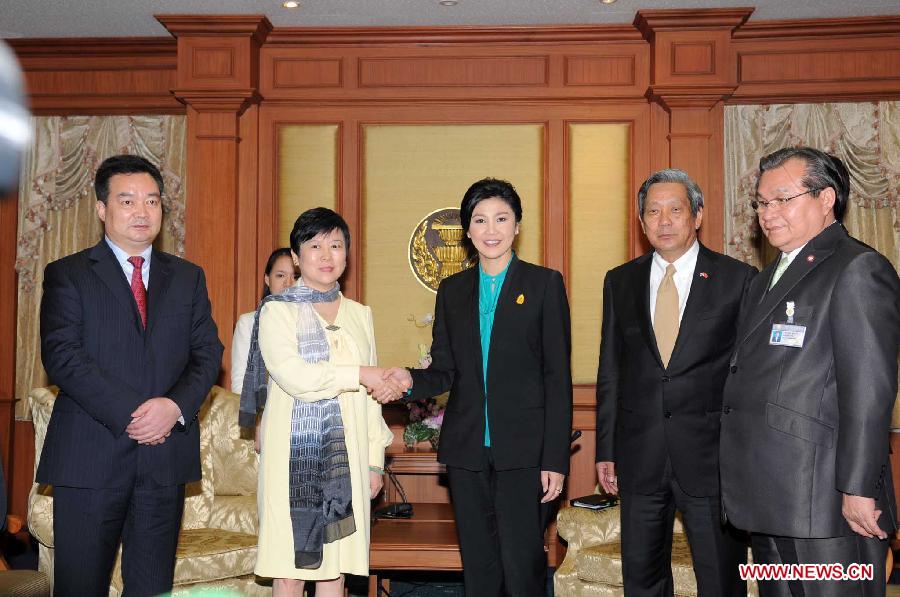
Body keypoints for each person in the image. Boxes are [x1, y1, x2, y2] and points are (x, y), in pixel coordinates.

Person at [38, 154, 223, 595]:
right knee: (80, 585)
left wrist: (173, 407)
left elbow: (208, 353)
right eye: (128, 201)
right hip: (90, 457)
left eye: (152, 201)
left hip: (163, 461)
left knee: (152, 586)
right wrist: (134, 414)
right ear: (102, 209)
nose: (142, 211)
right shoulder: (69, 274)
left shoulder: (188, 278)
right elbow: (62, 356)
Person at [380, 178, 573, 597]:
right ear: (467, 230)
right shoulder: (452, 291)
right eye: (480, 220)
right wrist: (408, 379)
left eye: (501, 219)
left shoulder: (544, 285)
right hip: (467, 450)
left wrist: (555, 458)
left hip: (524, 452)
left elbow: (557, 378)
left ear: (517, 225)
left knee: (522, 567)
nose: (491, 230)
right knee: (480, 571)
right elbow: (445, 369)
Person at [720, 147, 899, 596]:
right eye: (761, 202)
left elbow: (869, 391)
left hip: (824, 498)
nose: (768, 213)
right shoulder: (765, 278)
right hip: (769, 492)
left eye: (783, 199)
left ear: (826, 198)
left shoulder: (857, 268)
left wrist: (858, 487)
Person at [595, 168, 755, 596]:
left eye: (675, 210)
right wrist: (606, 449)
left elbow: (748, 377)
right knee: (642, 580)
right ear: (641, 221)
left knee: (720, 579)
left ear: (697, 215)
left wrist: (741, 451)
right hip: (640, 454)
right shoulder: (620, 281)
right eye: (653, 211)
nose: (663, 221)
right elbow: (610, 370)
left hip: (711, 459)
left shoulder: (737, 280)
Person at [239, 207, 395, 597]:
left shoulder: (361, 315)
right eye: (315, 246)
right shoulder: (277, 311)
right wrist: (356, 372)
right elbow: (296, 377)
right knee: (289, 569)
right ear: (296, 257)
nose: (327, 256)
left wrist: (375, 460)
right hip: (291, 457)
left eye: (336, 245)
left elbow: (374, 399)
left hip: (351, 455)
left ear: (347, 254)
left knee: (335, 570)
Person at [231, 247, 298, 392]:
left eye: (296, 276)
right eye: (280, 276)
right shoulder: (248, 323)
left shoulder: (314, 323)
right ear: (267, 279)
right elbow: (240, 386)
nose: (289, 283)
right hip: (262, 412)